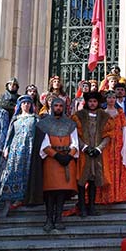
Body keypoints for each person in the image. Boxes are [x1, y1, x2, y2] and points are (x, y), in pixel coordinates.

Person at [37, 97, 79, 232]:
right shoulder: (44, 124)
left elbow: (75, 143)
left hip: (67, 160)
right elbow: (44, 144)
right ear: (51, 107)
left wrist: (69, 156)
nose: (58, 108)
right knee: (50, 191)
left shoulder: (70, 124)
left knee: (61, 191)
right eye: (56, 106)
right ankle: (49, 219)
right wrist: (56, 155)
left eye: (61, 106)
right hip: (52, 160)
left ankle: (58, 218)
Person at [72, 91, 112, 217]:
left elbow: (108, 135)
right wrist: (84, 147)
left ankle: (92, 207)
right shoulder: (78, 116)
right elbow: (75, 135)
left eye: (95, 101)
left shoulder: (105, 117)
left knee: (94, 179)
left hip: (98, 154)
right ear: (86, 102)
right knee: (82, 179)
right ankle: (82, 206)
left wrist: (99, 148)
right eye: (90, 101)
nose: (92, 103)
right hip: (84, 153)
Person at [0, 95, 38, 215]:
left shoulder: (35, 118)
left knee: (27, 171)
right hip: (15, 148)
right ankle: (11, 196)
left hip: (29, 148)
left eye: (28, 103)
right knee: (13, 171)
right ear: (20, 105)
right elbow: (10, 135)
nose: (26, 105)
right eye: (24, 103)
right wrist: (6, 148)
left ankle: (24, 197)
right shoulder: (16, 119)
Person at [96, 91, 126, 204]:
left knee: (119, 166)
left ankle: (119, 195)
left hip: (118, 143)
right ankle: (106, 196)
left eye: (113, 98)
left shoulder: (120, 112)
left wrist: (125, 145)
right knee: (106, 166)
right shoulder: (101, 113)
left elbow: (125, 128)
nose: (112, 100)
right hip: (106, 143)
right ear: (106, 99)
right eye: (109, 98)